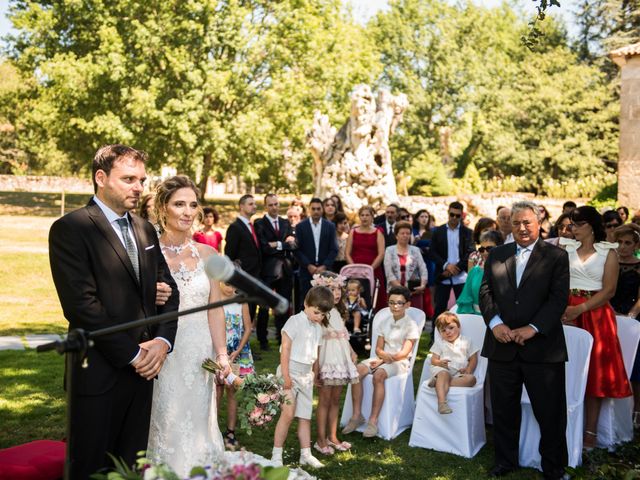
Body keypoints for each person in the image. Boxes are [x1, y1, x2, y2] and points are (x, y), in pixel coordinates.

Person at [48, 145, 180, 479]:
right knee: (91, 467)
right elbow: (82, 306)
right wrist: (134, 354)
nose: (139, 187)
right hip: (99, 373)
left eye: (142, 179)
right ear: (101, 177)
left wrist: (163, 343)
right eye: (129, 179)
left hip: (144, 373)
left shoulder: (145, 229)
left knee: (131, 467)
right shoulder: (71, 228)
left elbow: (170, 291)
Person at [479, 200, 570, 479]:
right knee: (504, 411)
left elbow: (558, 299)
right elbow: (486, 292)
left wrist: (533, 327)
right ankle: (505, 462)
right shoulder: (497, 254)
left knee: (550, 412)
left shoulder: (555, 256)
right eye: (516, 223)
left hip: (542, 348)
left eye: (527, 222)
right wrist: (495, 324)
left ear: (539, 222)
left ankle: (553, 467)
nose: (522, 228)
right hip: (501, 346)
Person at [147, 175, 229, 476]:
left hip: (199, 350)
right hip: (162, 349)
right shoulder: (148, 252)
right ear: (162, 207)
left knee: (198, 416)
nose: (187, 211)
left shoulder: (208, 254)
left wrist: (221, 355)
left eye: (193, 205)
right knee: (165, 413)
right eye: (179, 204)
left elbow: (215, 311)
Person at [560, 206, 632, 449]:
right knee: (566, 371)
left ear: (590, 225)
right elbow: (557, 280)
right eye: (571, 225)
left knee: (594, 374)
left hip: (595, 314)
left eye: (577, 224)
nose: (572, 229)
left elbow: (609, 290)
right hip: (565, 312)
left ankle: (590, 432)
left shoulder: (608, 252)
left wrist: (580, 309)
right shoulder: (566, 248)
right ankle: (566, 426)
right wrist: (562, 310)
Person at [342, 286, 420, 438]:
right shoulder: (384, 321)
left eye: (399, 303)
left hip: (400, 362)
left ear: (407, 305)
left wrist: (382, 362)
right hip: (382, 357)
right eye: (391, 302)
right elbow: (378, 348)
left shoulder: (411, 325)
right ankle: (357, 415)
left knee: (379, 375)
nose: (395, 306)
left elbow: (404, 353)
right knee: (356, 372)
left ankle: (373, 420)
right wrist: (381, 358)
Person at [271, 286, 335, 469]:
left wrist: (314, 373)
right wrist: (285, 376)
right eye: (316, 312)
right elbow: (285, 350)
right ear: (306, 304)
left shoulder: (318, 327)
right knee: (288, 413)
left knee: (305, 416)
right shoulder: (294, 321)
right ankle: (276, 454)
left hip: (307, 376)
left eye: (323, 315)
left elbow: (314, 351)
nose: (319, 317)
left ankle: (305, 454)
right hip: (289, 372)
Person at [313, 272, 359, 455]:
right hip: (326, 358)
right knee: (324, 401)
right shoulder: (319, 313)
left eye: (338, 288)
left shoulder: (339, 310)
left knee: (335, 400)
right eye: (331, 289)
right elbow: (315, 342)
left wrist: (351, 351)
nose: (337, 292)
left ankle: (332, 437)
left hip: (340, 359)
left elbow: (343, 335)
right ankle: (320, 439)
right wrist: (315, 368)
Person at [216, 281, 254, 451]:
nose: (231, 288)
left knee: (233, 391)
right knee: (216, 391)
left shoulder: (241, 301)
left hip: (237, 352)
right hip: (218, 352)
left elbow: (248, 328)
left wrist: (238, 350)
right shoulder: (214, 300)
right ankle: (213, 430)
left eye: (234, 284)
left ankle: (230, 432)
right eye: (227, 284)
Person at [255, 193, 296, 347]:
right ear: (266, 206)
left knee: (283, 305)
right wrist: (283, 244)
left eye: (276, 204)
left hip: (285, 270)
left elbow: (293, 245)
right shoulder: (259, 223)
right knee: (264, 306)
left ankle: (282, 338)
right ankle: (262, 340)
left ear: (279, 205)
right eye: (270, 205)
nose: (274, 207)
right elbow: (264, 247)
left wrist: (276, 245)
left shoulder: (286, 223)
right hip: (268, 270)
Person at [610, 224, 640, 428]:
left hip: (634, 319)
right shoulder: (609, 263)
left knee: (637, 367)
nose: (623, 246)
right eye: (619, 242)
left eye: (628, 243)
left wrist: (630, 317)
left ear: (636, 245)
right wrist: (611, 313)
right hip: (609, 315)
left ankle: (637, 410)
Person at [429, 201, 475, 329]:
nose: (454, 218)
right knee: (439, 308)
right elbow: (432, 252)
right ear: (448, 213)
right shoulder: (438, 231)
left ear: (462, 216)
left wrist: (456, 268)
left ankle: (462, 335)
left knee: (463, 308)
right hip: (443, 275)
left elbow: (470, 252)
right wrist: (446, 266)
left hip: (461, 275)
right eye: (452, 214)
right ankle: (435, 336)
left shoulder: (468, 232)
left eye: (457, 215)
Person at [428, 312, 478, 414]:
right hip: (443, 369)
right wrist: (439, 363)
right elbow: (433, 360)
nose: (448, 332)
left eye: (451, 328)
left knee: (472, 380)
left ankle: (439, 383)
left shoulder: (467, 341)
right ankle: (442, 403)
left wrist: (468, 370)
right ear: (440, 333)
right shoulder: (440, 343)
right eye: (443, 330)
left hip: (458, 374)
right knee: (443, 374)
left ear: (458, 327)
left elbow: (473, 358)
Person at [294, 198, 339, 308]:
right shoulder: (301, 226)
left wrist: (324, 266)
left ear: (322, 209)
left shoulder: (330, 226)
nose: (316, 211)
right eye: (313, 209)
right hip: (306, 271)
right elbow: (297, 249)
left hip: (325, 271)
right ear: (309, 209)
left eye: (318, 209)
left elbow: (334, 249)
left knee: (325, 302)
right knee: (306, 301)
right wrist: (308, 265)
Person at [224, 194, 262, 324]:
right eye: (250, 204)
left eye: (255, 204)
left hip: (255, 276)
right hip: (243, 278)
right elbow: (229, 255)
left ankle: (247, 341)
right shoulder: (235, 227)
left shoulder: (253, 226)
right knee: (243, 315)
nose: (254, 206)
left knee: (251, 312)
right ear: (241, 206)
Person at [346, 205, 387, 310]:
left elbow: (381, 253)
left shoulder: (378, 232)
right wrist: (353, 268)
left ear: (372, 217)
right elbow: (347, 253)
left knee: (375, 299)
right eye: (362, 215)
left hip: (374, 270)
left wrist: (370, 269)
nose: (364, 217)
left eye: (367, 215)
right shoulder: (353, 232)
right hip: (355, 271)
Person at [383, 221, 428, 311]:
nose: (405, 235)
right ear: (396, 235)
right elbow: (389, 273)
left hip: (414, 291)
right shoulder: (389, 250)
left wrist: (423, 285)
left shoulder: (416, 250)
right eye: (402, 233)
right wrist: (402, 290)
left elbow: (423, 269)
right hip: (395, 292)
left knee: (415, 319)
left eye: (408, 233)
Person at [456, 230, 503, 315]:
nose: (485, 252)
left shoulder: (507, 271)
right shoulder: (474, 272)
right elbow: (467, 296)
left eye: (489, 248)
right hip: (476, 318)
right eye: (482, 249)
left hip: (499, 321)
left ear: (500, 247)